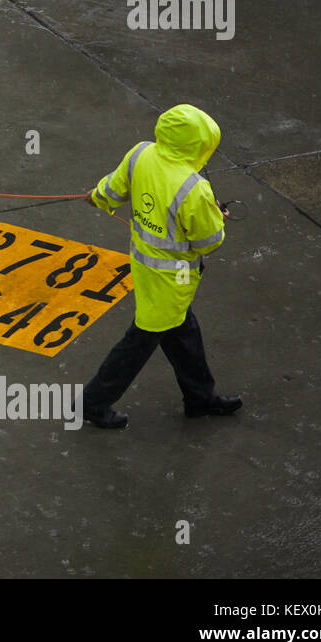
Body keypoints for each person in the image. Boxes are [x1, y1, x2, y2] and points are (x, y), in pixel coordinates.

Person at [82, 104, 241, 429]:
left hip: (144, 266)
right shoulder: (193, 188)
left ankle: (200, 398)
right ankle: (92, 402)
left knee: (182, 331)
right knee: (141, 341)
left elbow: (113, 190)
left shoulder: (141, 153)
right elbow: (209, 241)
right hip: (173, 278)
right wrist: (219, 218)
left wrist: (97, 197)